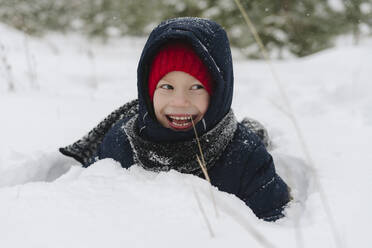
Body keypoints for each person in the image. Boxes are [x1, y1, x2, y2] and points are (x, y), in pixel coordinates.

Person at [60, 17, 291, 221]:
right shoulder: (123, 141)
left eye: (196, 87)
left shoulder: (244, 155)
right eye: (167, 86)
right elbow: (88, 199)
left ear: (219, 93)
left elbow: (277, 220)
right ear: (148, 92)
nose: (180, 102)